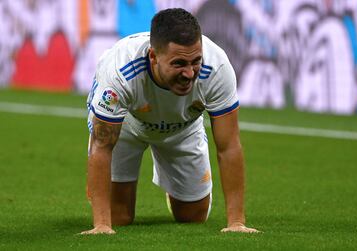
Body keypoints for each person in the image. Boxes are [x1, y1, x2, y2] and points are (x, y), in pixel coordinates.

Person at [81, 8, 259, 235]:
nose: (189, 73)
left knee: (192, 217)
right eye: (179, 64)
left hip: (183, 126)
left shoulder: (217, 68)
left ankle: (175, 184)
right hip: (126, 122)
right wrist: (101, 225)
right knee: (118, 218)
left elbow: (229, 146)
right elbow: (102, 146)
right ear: (153, 57)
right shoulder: (119, 72)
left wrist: (236, 222)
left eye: (195, 61)